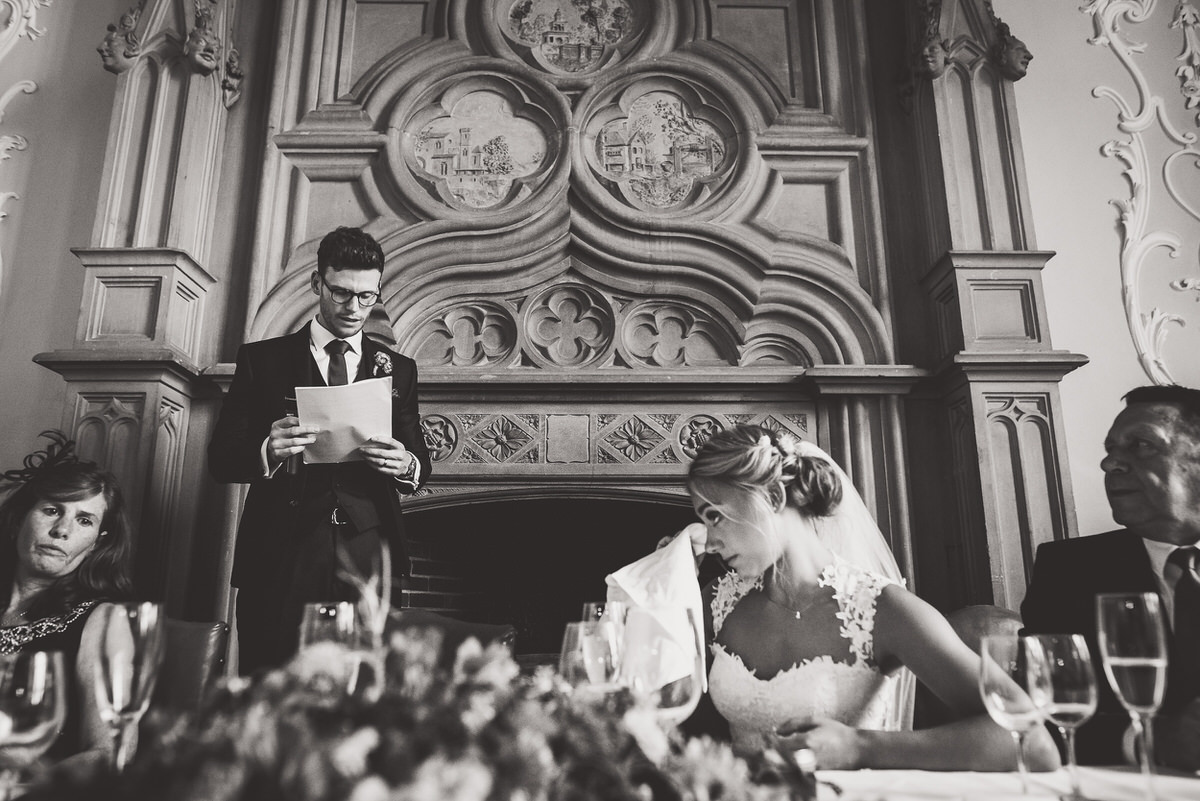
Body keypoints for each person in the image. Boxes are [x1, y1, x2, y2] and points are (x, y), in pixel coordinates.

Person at [684, 424, 1059, 771]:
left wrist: (861, 747)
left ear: (775, 496)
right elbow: (652, 704)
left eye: (715, 516)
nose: (711, 541)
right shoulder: (716, 602)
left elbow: (1034, 743)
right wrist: (667, 582)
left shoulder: (883, 609)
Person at [208, 226, 431, 674]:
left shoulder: (399, 370)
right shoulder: (262, 361)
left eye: (367, 297)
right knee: (272, 677)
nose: (354, 308)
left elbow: (422, 462)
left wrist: (405, 463)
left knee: (364, 680)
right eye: (342, 293)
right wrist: (267, 449)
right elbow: (221, 458)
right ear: (317, 285)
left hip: (368, 546)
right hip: (283, 546)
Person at [1022, 384, 1200, 770]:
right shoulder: (1068, 571)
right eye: (1110, 450)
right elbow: (1047, 715)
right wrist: (1154, 743)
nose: (1110, 464)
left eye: (1141, 445)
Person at [0, 451, 134, 763]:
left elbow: (110, 753)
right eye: (51, 510)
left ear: (96, 543)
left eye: (84, 520)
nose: (62, 529)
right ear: (20, 519)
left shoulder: (104, 621)